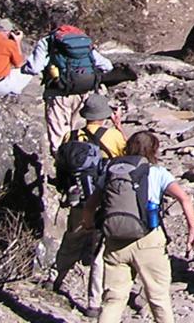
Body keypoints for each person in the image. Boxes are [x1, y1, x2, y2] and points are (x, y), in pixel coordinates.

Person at [97, 130, 194, 323]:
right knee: (158, 297)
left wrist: (88, 223)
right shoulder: (158, 172)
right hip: (148, 240)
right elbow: (184, 199)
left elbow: (92, 204)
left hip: (115, 241)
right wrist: (192, 230)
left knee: (113, 299)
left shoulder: (111, 171)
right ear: (154, 149)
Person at [52, 93, 127, 313]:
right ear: (105, 115)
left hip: (77, 199)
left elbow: (60, 165)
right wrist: (119, 126)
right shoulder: (113, 136)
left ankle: (54, 277)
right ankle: (93, 303)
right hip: (103, 200)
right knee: (99, 252)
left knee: (71, 239)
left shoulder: (71, 136)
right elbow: (129, 158)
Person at [26, 22, 115, 154]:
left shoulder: (48, 41)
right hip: (84, 92)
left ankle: (62, 167)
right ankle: (80, 165)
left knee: (59, 136)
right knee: (79, 134)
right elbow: (107, 66)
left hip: (58, 93)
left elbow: (34, 68)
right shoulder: (83, 42)